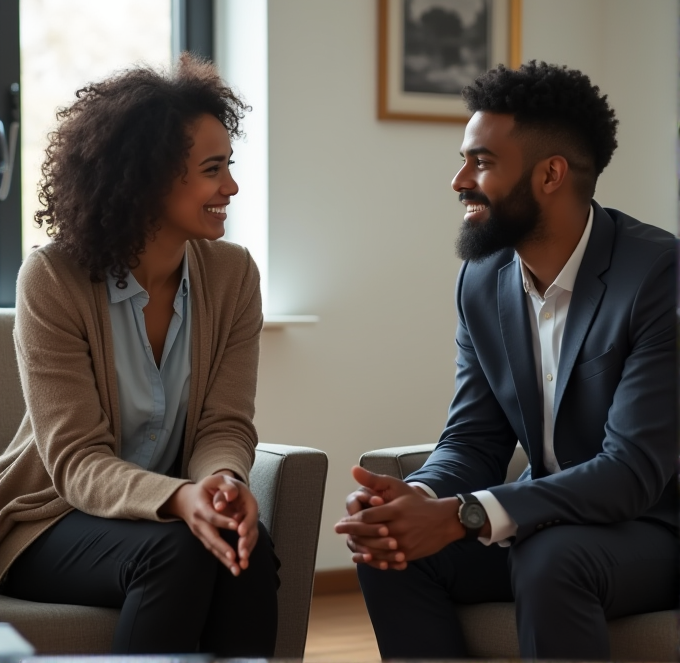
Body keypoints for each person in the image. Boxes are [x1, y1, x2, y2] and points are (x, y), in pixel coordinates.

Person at [335, 61, 677, 660]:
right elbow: (473, 439)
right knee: (390, 550)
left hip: (655, 526)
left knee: (553, 559)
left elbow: (631, 471)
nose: (459, 179)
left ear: (550, 174)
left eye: (482, 162)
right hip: (547, 517)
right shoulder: (482, 280)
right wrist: (417, 499)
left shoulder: (656, 275)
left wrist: (465, 514)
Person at [0, 54, 279, 656]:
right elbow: (74, 461)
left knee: (247, 549)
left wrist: (222, 484)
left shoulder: (233, 275)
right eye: (213, 169)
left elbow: (224, 423)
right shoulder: (51, 278)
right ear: (149, 177)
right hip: (48, 520)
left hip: (168, 517)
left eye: (228, 166)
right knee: (178, 549)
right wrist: (180, 499)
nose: (230, 187)